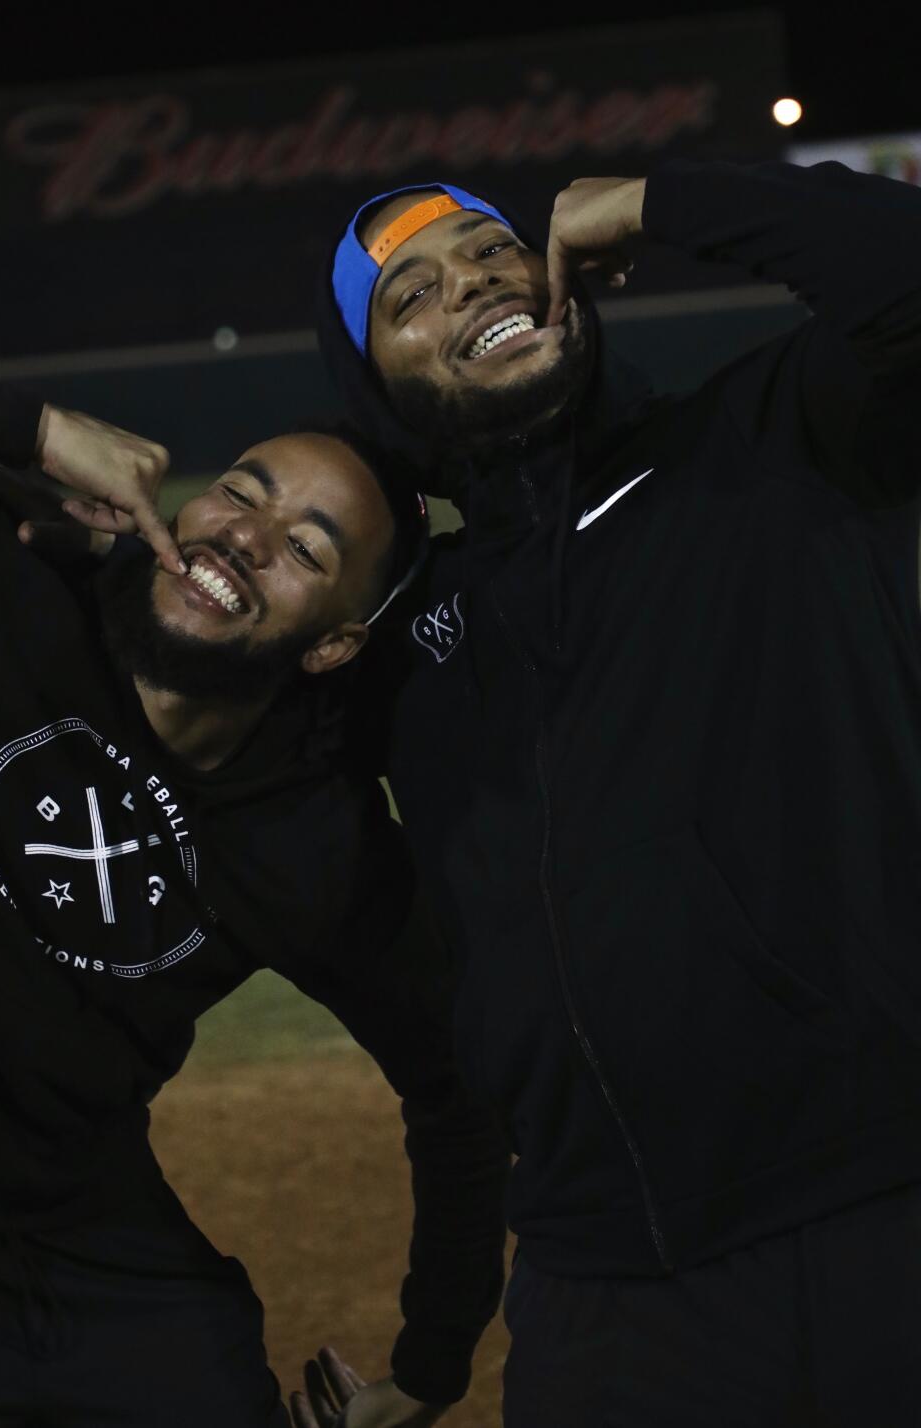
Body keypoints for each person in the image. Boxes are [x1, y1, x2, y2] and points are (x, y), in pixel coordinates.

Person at [0, 341, 509, 1427]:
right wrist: (32, 430)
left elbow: (455, 1087)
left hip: (88, 1272)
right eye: (242, 491)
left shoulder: (312, 839)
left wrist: (431, 1365)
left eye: (304, 550)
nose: (244, 537)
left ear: (333, 648)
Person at [304, 165, 921, 1426]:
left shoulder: (774, 444)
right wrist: (435, 1350)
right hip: (602, 1287)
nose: (467, 282)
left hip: (881, 1208)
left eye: (489, 251)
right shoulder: (413, 637)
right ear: (379, 387)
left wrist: (661, 201)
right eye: (408, 295)